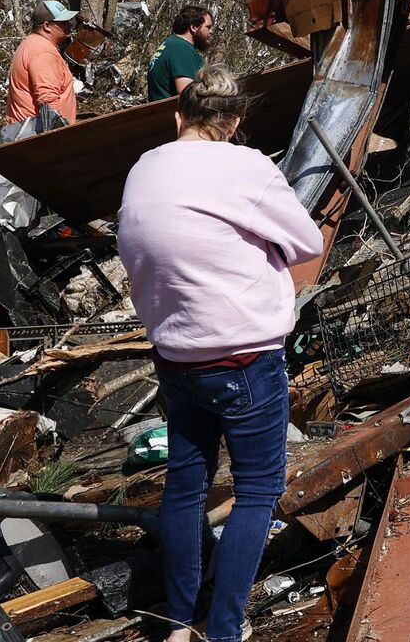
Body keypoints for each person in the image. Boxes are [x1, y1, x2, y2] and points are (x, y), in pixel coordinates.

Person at [117, 66, 322, 642]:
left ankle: (178, 623)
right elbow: (307, 241)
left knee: (186, 485)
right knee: (257, 492)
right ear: (233, 122)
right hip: (244, 357)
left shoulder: (145, 166)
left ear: (178, 116)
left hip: (176, 355)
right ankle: (224, 630)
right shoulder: (246, 166)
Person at [5, 0, 80, 132]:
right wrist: (60, 135)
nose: (69, 25)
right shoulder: (43, 51)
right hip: (37, 135)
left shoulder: (31, 43)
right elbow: (48, 100)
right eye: (63, 22)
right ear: (47, 26)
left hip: (26, 130)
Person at [148, 5, 215, 101]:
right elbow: (186, 93)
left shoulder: (170, 44)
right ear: (194, 27)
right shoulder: (181, 49)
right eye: (208, 27)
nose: (211, 31)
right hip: (173, 110)